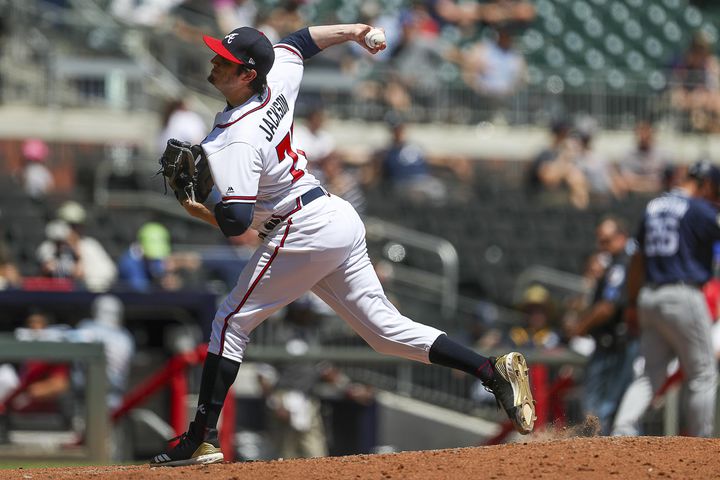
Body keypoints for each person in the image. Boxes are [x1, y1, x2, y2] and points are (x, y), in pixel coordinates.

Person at [150, 23, 535, 466]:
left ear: (247, 75)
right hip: (333, 216)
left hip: (301, 226)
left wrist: (194, 205)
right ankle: (491, 370)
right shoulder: (277, 78)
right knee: (384, 332)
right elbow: (298, 42)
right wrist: (356, 31)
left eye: (226, 61)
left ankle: (201, 436)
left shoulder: (233, 139)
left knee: (229, 323)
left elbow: (235, 220)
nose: (215, 62)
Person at [626, 160, 720, 437]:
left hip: (649, 296)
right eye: (715, 192)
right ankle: (702, 443)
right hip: (683, 294)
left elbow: (636, 259)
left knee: (649, 375)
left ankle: (622, 430)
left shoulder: (654, 206)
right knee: (703, 373)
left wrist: (632, 303)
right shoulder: (699, 208)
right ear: (705, 185)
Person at [564, 216, 637, 435]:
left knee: (602, 408)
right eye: (600, 241)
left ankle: (599, 455)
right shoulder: (616, 264)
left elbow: (608, 307)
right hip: (611, 343)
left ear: (621, 237)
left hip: (616, 345)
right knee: (602, 406)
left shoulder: (622, 264)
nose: (601, 246)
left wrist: (579, 327)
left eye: (606, 241)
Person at [56, 201, 117, 292]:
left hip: (89, 295)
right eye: (71, 226)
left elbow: (110, 273)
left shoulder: (90, 245)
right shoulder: (49, 247)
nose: (75, 230)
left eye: (78, 226)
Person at [618, 121, 669, 194]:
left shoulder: (662, 155)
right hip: (632, 196)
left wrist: (637, 183)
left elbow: (662, 182)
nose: (643, 137)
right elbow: (626, 181)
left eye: (646, 133)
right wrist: (648, 184)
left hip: (656, 195)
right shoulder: (628, 155)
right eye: (640, 133)